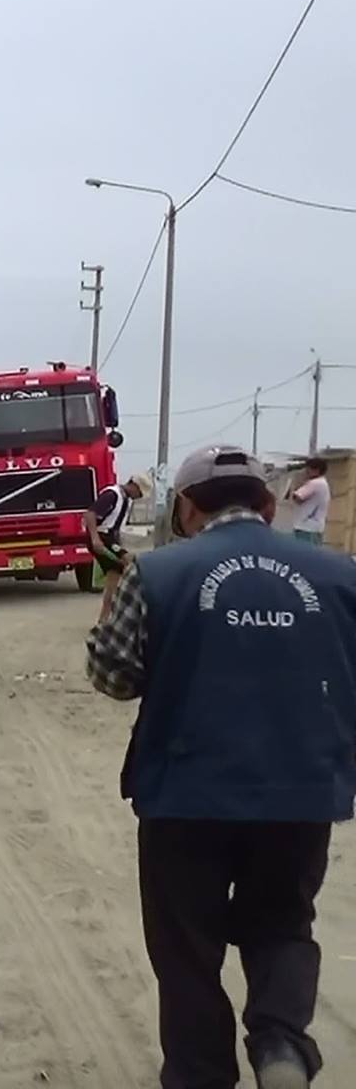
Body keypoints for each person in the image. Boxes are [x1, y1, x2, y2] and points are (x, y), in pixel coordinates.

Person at [86, 444, 356, 1089]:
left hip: (185, 795)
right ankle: (281, 1045)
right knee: (283, 923)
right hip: (300, 790)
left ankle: (200, 1073)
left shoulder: (156, 573)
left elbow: (113, 676)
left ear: (186, 507)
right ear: (266, 505)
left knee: (186, 946)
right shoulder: (340, 575)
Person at [89, 472, 148, 615]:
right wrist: (95, 538)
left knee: (120, 569)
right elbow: (90, 514)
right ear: (134, 486)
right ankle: (109, 614)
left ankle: (106, 616)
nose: (139, 497)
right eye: (139, 493)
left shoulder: (125, 499)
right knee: (123, 564)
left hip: (110, 538)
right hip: (102, 536)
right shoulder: (112, 494)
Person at [288, 457, 332, 546]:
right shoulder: (323, 483)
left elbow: (298, 498)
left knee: (303, 553)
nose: (306, 471)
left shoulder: (314, 483)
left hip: (307, 528)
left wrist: (296, 485)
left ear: (316, 470)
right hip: (314, 528)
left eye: (308, 469)